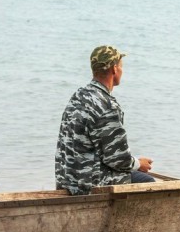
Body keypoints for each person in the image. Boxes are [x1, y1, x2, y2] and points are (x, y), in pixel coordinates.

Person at [55, 45, 155, 195]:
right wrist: (138, 163)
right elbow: (118, 159)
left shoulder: (78, 97)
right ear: (114, 69)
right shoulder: (106, 105)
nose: (122, 71)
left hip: (67, 180)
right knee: (148, 182)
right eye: (121, 67)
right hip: (90, 186)